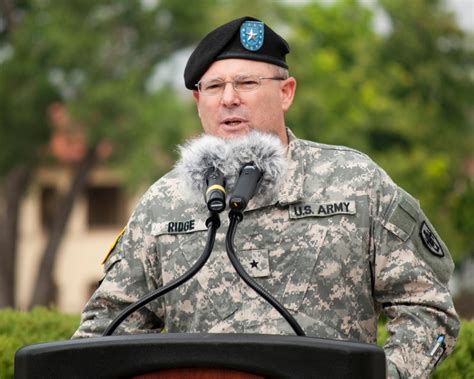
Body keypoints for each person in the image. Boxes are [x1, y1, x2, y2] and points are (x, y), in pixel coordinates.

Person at [73, 16, 459, 378]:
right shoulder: (163, 202)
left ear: (286, 93)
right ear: (198, 101)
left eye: (247, 83)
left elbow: (427, 308)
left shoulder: (356, 183)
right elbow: (104, 331)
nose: (229, 99)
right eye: (213, 87)